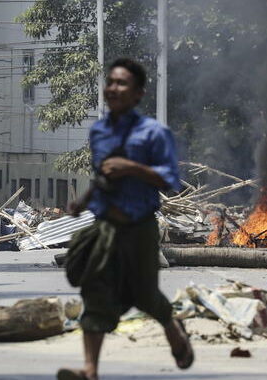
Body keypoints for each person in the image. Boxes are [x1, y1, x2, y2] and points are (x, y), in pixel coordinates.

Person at [58, 58, 194, 380]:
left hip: (140, 227)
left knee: (145, 294)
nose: (113, 88)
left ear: (138, 94)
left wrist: (132, 168)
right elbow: (103, 176)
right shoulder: (100, 131)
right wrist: (83, 201)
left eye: (122, 83)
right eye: (110, 82)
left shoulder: (154, 133)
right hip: (105, 227)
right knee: (95, 291)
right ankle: (90, 370)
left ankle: (173, 329)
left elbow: (171, 179)